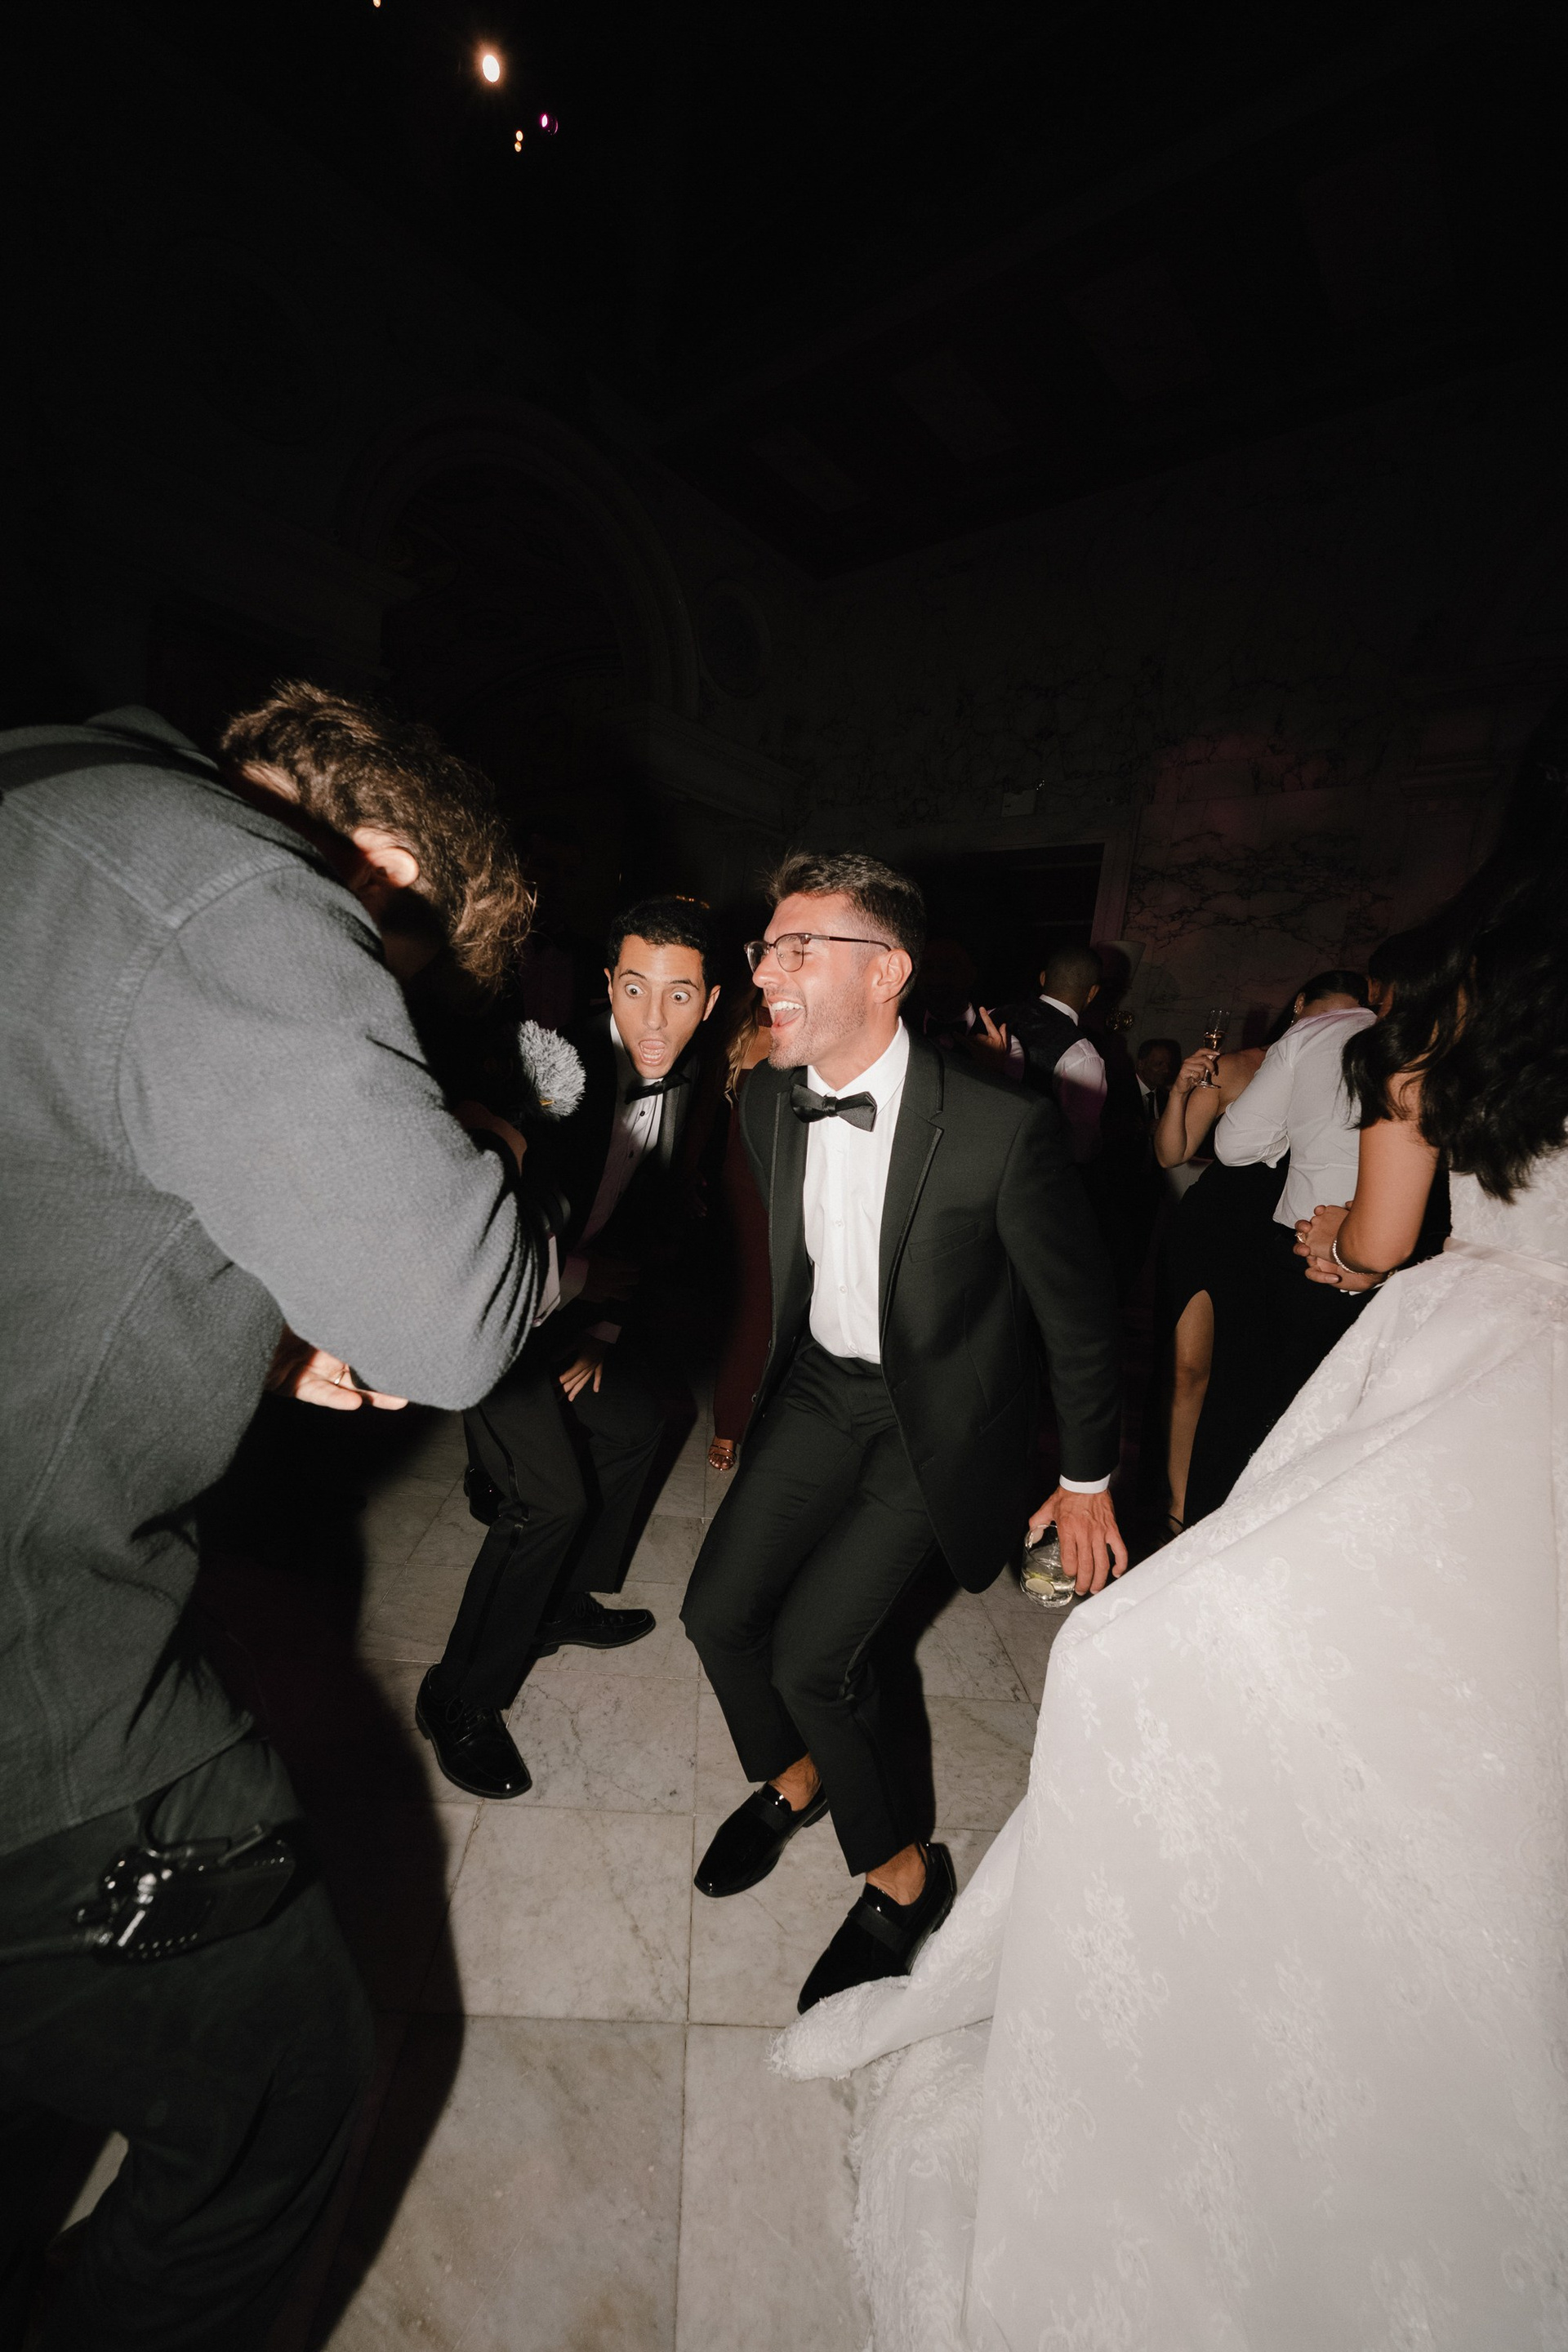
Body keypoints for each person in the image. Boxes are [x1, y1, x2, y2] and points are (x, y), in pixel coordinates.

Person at [775, 713, 1568, 2352]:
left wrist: (1089, 1462)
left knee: (1203, 1609)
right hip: (1443, 1371)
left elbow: (1293, 1203)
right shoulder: (1401, 1024)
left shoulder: (1442, 1009)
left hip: (1443, 1354)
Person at [0, 690, 550, 2350]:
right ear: (383, 872)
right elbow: (457, 1319)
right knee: (289, 2086)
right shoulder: (239, 885)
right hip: (35, 1701)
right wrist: (491, 1153)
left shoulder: (45, 790)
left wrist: (255, 1324)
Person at [679, 852, 1125, 2015]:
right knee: (716, 1615)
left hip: (940, 1420)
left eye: (798, 949)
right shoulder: (766, 1099)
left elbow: (1080, 1317)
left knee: (815, 1658)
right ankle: (797, 1777)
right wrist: (737, 1405)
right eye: (765, 949)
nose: (764, 973)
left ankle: (902, 1876)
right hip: (821, 1391)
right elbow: (770, 1283)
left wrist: (1086, 1478)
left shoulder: (1000, 1127)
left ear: (888, 973)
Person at [421, 896, 721, 1799]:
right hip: (483, 1312)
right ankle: (458, 1697)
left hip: (564, 1312)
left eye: (679, 996)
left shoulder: (692, 1083)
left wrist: (602, 1329)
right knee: (546, 1499)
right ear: (607, 985)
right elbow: (467, 1227)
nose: (653, 1019)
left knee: (635, 1424)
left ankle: (556, 1605)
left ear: (710, 1003)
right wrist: (580, 1286)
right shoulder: (543, 1073)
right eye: (634, 989)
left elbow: (649, 1223)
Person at [1183, 967, 1372, 1518]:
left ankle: (1208, 1528)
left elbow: (1236, 1145)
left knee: (1245, 1403)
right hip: (1391, 1259)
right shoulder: (1419, 1041)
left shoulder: (1308, 1036)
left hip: (1304, 1243)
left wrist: (1289, 1130)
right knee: (1330, 1417)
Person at [1148, 1031, 1271, 1532]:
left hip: (1281, 1240)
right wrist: (1179, 1092)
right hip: (1214, 1228)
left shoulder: (1357, 1073)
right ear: (1301, 1006)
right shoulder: (1238, 1067)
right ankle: (1176, 1509)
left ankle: (1225, 1506)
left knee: (1245, 1379)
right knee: (1189, 1369)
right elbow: (1170, 1154)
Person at [708, 994, 775, 1475]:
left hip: (801, 1181)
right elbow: (703, 1120)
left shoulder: (818, 1030)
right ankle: (729, 1424)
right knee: (755, 1305)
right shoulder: (738, 1033)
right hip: (745, 1184)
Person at [998, 942, 1108, 1164]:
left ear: (1042, 978)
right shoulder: (1083, 1055)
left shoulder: (992, 1014)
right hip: (1029, 1169)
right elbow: (1080, 1149)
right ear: (1092, 992)